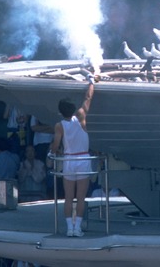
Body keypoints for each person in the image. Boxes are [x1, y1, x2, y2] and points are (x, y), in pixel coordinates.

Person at [49, 77, 95, 237]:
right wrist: (92, 82)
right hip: (83, 160)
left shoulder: (59, 125)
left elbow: (55, 146)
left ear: (60, 112)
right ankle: (78, 228)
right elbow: (88, 98)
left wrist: (52, 152)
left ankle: (70, 229)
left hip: (69, 160)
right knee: (80, 198)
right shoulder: (81, 115)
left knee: (68, 198)